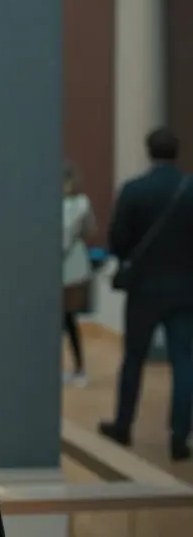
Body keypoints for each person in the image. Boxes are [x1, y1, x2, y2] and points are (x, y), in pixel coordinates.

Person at [99, 127, 193, 462]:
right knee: (184, 362)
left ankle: (124, 425)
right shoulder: (190, 190)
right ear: (176, 152)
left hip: (143, 291)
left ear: (149, 151)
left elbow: (117, 241)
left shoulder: (135, 190)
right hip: (185, 290)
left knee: (134, 360)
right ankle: (180, 436)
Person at [62, 160, 95, 386]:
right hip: (68, 268)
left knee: (70, 320)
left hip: (73, 270)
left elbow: (90, 231)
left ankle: (79, 369)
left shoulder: (82, 204)